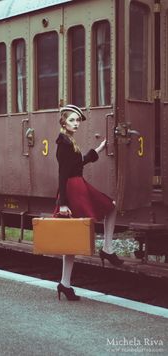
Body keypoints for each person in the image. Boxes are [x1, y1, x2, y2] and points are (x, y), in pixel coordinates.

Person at [54, 104, 123, 301]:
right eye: (72, 120)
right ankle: (107, 249)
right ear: (63, 123)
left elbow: (77, 164)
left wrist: (97, 150)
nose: (76, 123)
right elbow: (62, 174)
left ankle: (64, 284)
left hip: (77, 187)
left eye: (77, 120)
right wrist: (63, 203)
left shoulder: (68, 141)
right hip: (73, 190)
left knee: (73, 238)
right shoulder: (63, 144)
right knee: (110, 207)